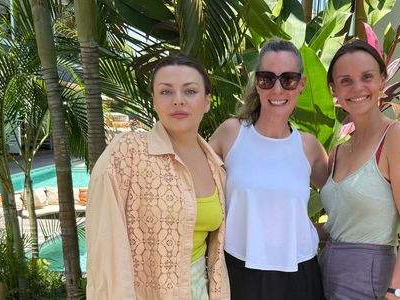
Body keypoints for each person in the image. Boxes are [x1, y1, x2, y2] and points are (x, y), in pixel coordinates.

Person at [86, 54, 230, 300]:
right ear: (154, 101)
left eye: (190, 91)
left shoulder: (216, 167)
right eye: (166, 92)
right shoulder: (126, 154)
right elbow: (106, 248)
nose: (178, 101)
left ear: (207, 101)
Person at [208, 38, 328, 300]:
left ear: (302, 85)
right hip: (238, 269)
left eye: (288, 79)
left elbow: (343, 200)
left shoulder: (309, 147)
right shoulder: (231, 134)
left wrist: (319, 231)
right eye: (267, 79)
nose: (277, 89)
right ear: (257, 83)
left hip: (299, 273)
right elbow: (191, 182)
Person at [319, 39, 400, 300]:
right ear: (334, 89)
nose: (357, 87)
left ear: (382, 80)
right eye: (345, 81)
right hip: (327, 275)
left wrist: (396, 292)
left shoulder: (397, 136)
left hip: (370, 280)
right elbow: (340, 225)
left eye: (366, 77)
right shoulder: (339, 150)